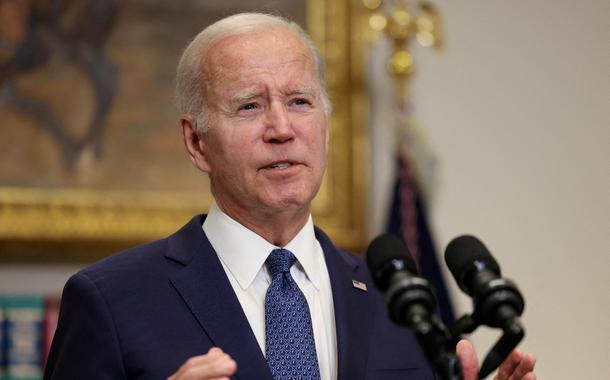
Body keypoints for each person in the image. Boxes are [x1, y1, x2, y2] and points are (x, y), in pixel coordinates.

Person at [44, 13, 536, 380]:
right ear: (197, 143)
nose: (281, 129)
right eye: (249, 106)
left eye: (300, 102)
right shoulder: (111, 300)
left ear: (324, 124)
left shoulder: (401, 302)